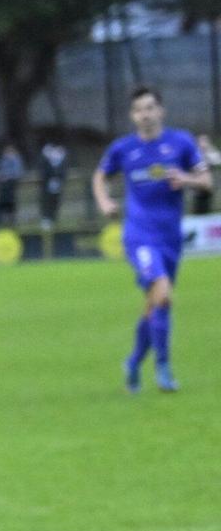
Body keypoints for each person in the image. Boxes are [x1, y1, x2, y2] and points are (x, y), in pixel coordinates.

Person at [92, 87, 211, 393]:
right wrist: (104, 202)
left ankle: (132, 363)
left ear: (161, 111)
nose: (145, 115)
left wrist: (186, 179)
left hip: (170, 237)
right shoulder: (124, 148)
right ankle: (163, 367)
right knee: (163, 295)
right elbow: (99, 176)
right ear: (133, 116)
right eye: (138, 110)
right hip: (139, 235)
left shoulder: (181, 142)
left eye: (150, 108)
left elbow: (207, 181)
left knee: (155, 304)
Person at [39, 140, 68, 227]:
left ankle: (54, 218)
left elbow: (63, 172)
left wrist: (58, 178)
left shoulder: (62, 160)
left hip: (57, 183)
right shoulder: (46, 160)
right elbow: (44, 172)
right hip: (47, 184)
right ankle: (46, 218)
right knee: (46, 201)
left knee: (56, 201)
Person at [0, 144, 24, 224]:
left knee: (11, 201)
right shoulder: (3, 160)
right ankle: (1, 219)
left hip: (11, 184)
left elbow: (18, 172)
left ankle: (12, 219)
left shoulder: (16, 160)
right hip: (3, 186)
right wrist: (1, 176)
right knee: (1, 201)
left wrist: (8, 176)